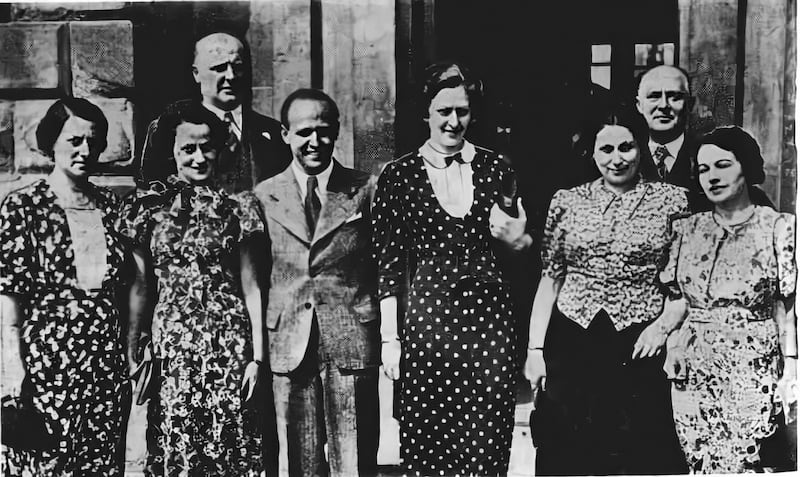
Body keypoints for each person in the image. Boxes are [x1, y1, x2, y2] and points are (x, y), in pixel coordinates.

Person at [373, 62, 531, 477]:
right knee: (429, 439)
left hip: (490, 322)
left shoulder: (497, 168)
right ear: (425, 114)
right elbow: (388, 263)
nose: (453, 121)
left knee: (486, 435)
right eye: (443, 111)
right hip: (429, 322)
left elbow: (518, 244)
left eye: (461, 111)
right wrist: (391, 339)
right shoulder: (398, 175)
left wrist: (517, 236)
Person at [524, 106, 689, 475]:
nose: (617, 159)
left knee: (637, 446)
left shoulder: (673, 201)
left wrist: (661, 329)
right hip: (572, 338)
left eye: (626, 147)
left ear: (641, 148)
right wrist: (535, 350)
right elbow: (551, 278)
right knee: (567, 446)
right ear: (592, 153)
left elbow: (681, 282)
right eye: (607, 150)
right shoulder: (566, 201)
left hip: (638, 339)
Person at [120, 100, 265, 475]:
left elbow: (251, 284)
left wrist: (257, 358)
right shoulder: (148, 210)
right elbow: (140, 286)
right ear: (172, 151)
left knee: (228, 440)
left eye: (207, 146)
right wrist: (134, 351)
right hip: (172, 346)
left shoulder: (238, 207)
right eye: (189, 148)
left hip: (228, 342)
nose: (199, 157)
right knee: (177, 440)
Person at [253, 88, 380, 477]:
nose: (314, 142)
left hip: (349, 340)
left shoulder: (365, 189)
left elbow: (384, 265)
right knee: (297, 462)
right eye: (304, 131)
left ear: (337, 131)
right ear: (285, 135)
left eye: (324, 131)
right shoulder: (264, 196)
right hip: (289, 342)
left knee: (353, 458)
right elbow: (258, 274)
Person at [0, 98, 128, 475]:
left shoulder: (112, 207)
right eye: (73, 140)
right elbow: (8, 299)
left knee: (101, 464)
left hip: (104, 367)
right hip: (47, 367)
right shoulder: (23, 207)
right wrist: (12, 370)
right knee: (47, 463)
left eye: (93, 141)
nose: (84, 151)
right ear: (51, 141)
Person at [659, 125, 797, 473]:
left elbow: (785, 305)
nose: (711, 177)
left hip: (752, 365)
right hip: (693, 367)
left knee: (743, 463)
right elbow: (677, 299)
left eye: (722, 165)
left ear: (746, 167)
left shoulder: (778, 228)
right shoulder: (686, 229)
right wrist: (673, 346)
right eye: (703, 169)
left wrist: (791, 365)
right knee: (700, 462)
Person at [139, 31, 291, 192]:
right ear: (196, 74)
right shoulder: (170, 127)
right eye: (219, 68)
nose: (231, 76)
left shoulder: (272, 131)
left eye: (237, 67)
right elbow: (152, 189)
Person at [635, 65, 773, 211]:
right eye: (654, 96)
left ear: (690, 104)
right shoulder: (622, 157)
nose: (663, 105)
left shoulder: (712, 153)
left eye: (675, 97)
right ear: (639, 105)